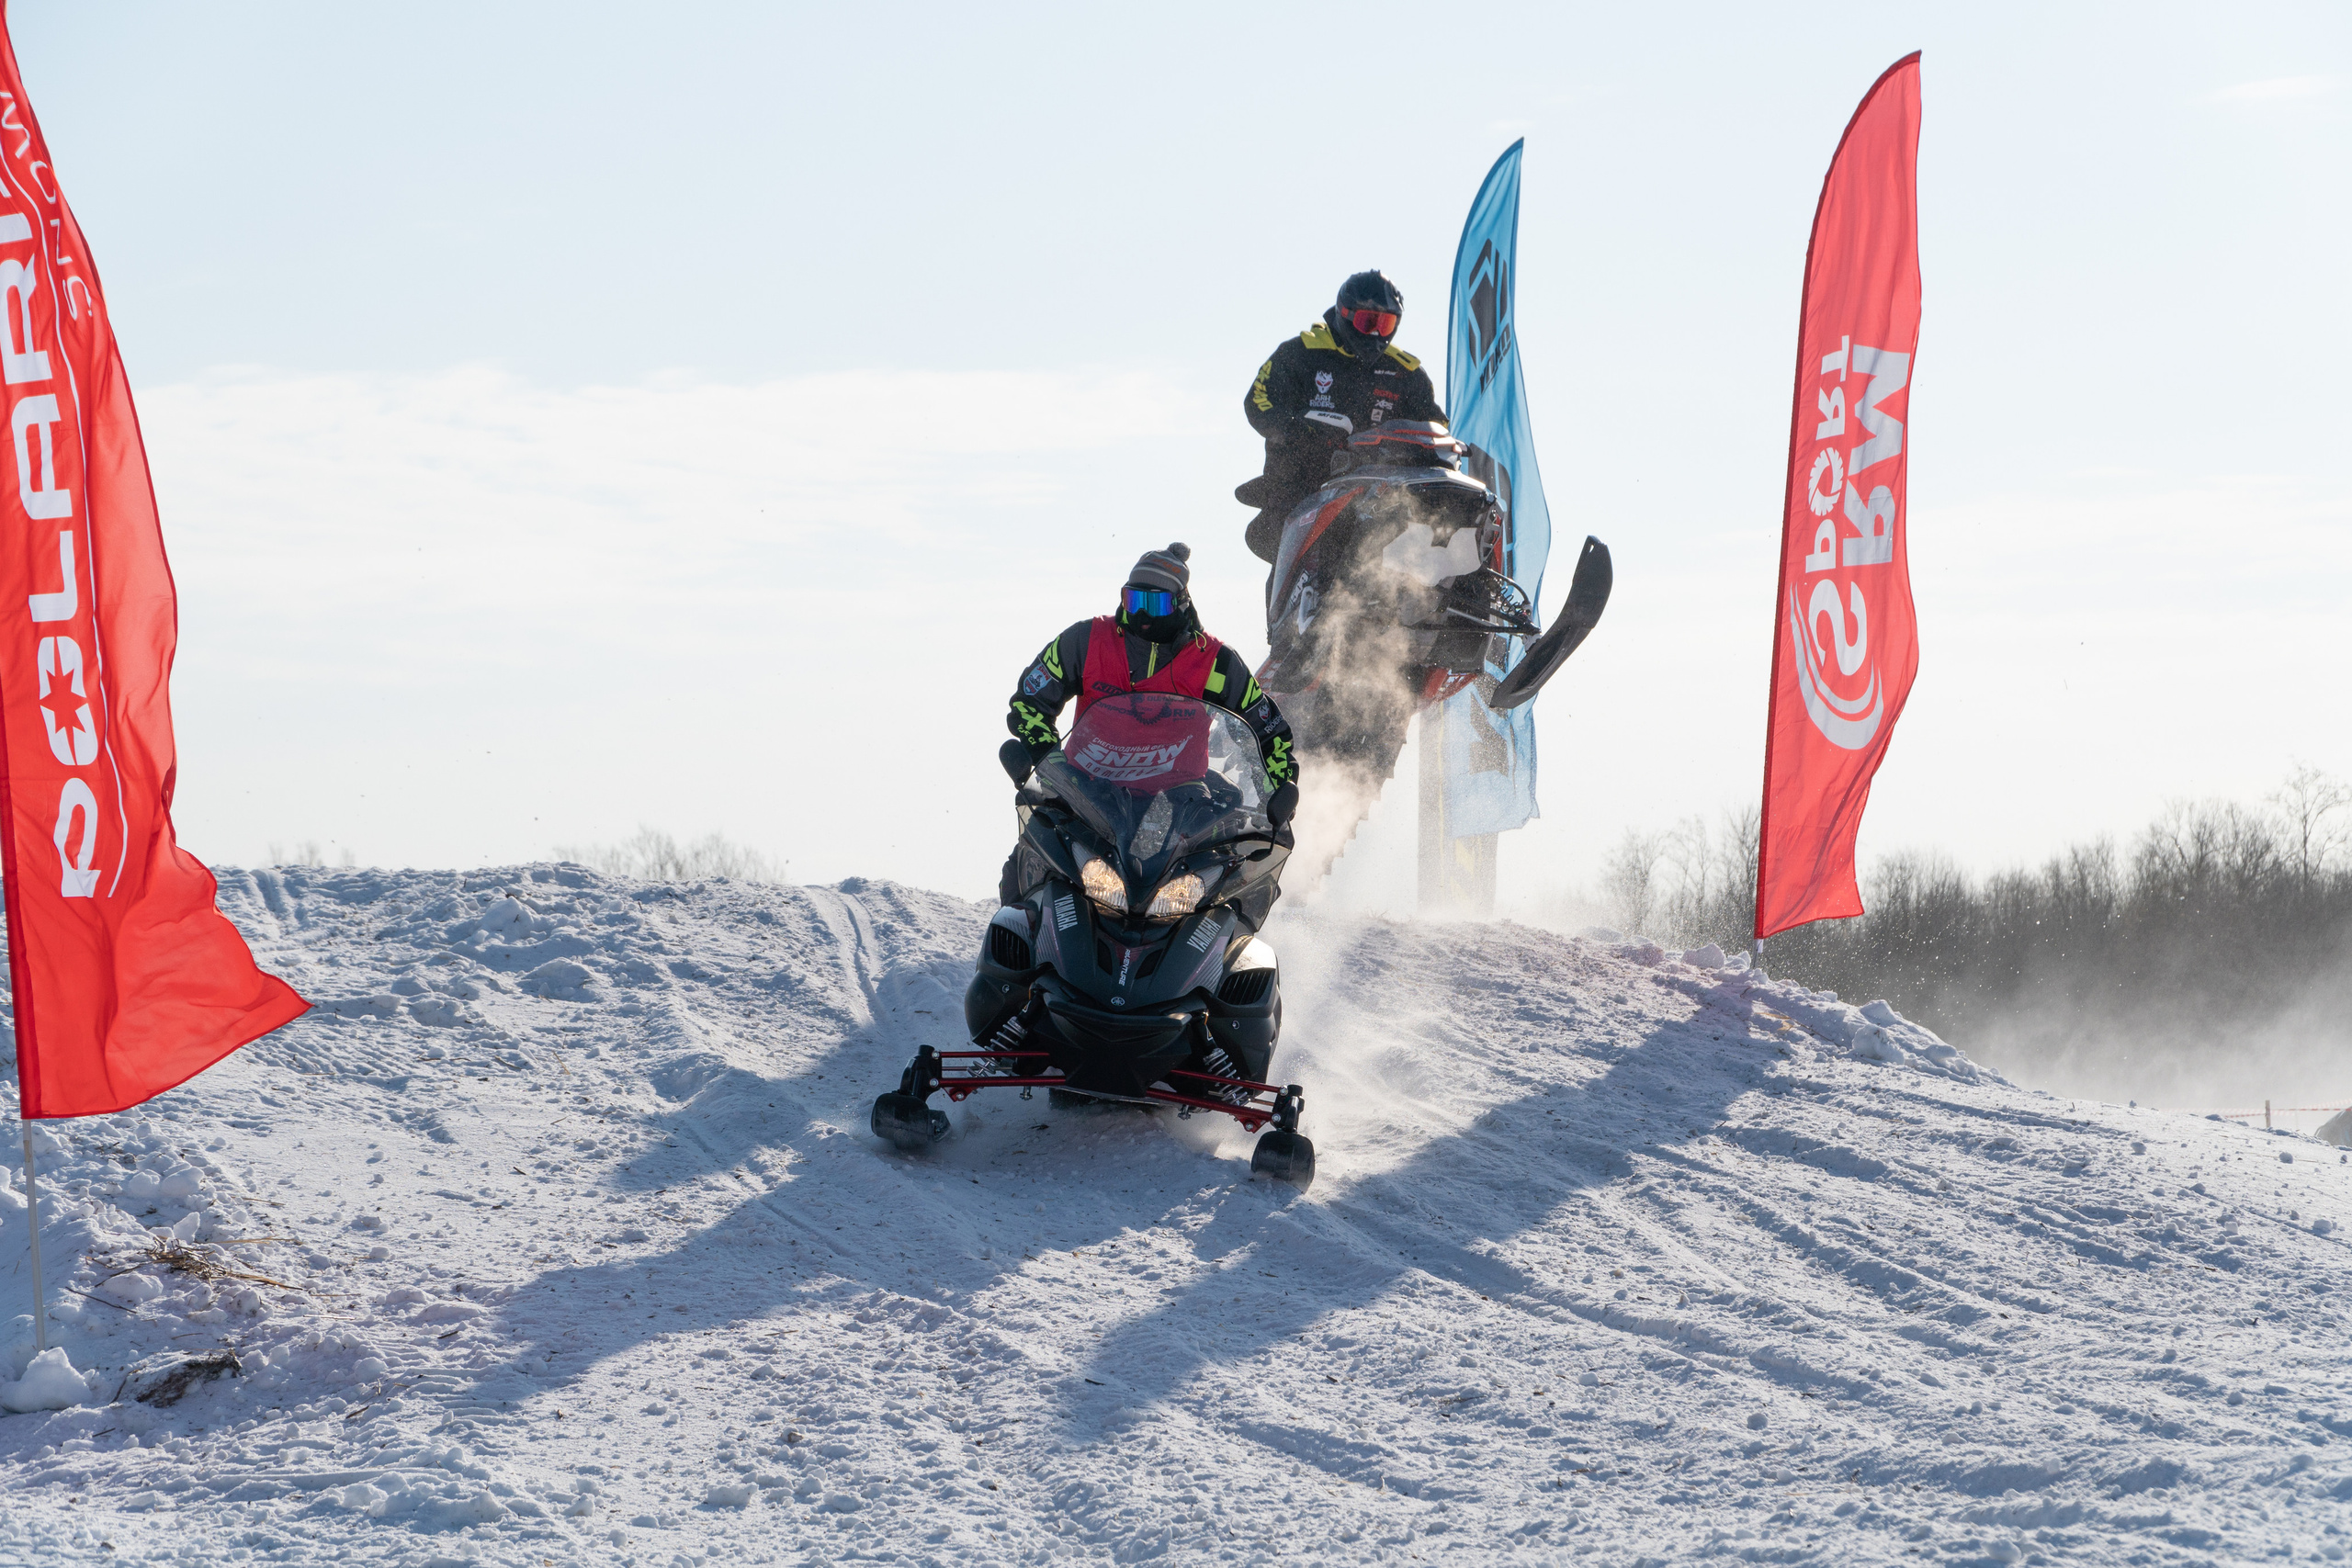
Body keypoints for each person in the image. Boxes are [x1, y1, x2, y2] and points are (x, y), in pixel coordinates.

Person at [1001, 543, 1297, 904]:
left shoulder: (1215, 663)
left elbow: (1267, 732)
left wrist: (1280, 790)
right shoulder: (1085, 641)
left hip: (1181, 800)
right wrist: (1052, 765)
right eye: (1133, 600)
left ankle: (1226, 949)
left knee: (1231, 878)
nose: (1142, 613)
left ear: (1181, 603)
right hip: (1085, 791)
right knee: (1026, 869)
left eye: (1155, 604)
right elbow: (1029, 703)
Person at [1236, 269, 1445, 562]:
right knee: (1283, 541)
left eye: (1385, 325)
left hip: (1378, 488)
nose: (1375, 333)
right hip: (1302, 482)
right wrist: (1296, 429)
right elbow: (1259, 401)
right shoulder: (1300, 353)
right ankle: (1287, 603)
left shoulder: (1406, 373)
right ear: (1345, 314)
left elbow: (1435, 428)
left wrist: (1440, 451)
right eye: (1368, 321)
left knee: (1437, 514)